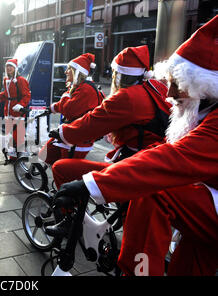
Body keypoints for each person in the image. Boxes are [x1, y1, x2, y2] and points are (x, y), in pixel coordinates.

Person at [51, 15, 218, 276]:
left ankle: (130, 266)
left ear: (204, 86)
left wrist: (93, 181)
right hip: (175, 179)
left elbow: (90, 124)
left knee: (65, 169)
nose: (170, 93)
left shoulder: (127, 98)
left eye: (179, 84)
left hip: (143, 169)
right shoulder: (156, 90)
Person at [48, 45, 171, 189]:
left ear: (119, 75)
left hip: (136, 166)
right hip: (155, 161)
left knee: (61, 167)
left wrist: (64, 132)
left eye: (114, 73)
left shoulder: (128, 96)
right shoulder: (153, 87)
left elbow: (92, 122)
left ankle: (67, 209)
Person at [38, 53, 104, 165]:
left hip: (77, 139)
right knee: (45, 155)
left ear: (77, 71)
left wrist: (65, 95)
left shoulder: (86, 89)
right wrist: (51, 108)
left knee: (65, 171)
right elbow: (65, 106)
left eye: (69, 69)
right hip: (69, 133)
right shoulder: (80, 87)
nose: (65, 71)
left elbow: (68, 109)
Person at [0, 59, 31, 158]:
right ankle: (12, 156)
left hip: (18, 112)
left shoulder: (21, 80)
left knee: (18, 134)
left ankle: (21, 155)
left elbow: (26, 95)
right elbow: (6, 93)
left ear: (15, 68)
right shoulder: (6, 80)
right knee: (9, 133)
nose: (8, 68)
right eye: (7, 66)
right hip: (8, 111)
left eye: (10, 66)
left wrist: (21, 105)